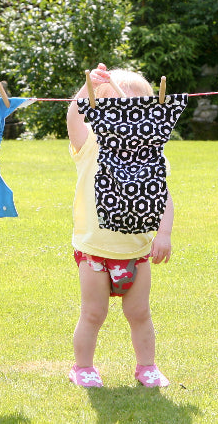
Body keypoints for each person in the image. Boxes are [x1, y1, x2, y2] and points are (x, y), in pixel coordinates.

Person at [66, 63, 174, 388]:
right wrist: (88, 88)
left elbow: (163, 195)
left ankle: (147, 367)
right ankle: (82, 368)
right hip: (94, 252)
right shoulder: (90, 145)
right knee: (93, 314)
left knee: (140, 313)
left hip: (136, 252)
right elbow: (73, 118)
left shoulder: (149, 152)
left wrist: (164, 233)